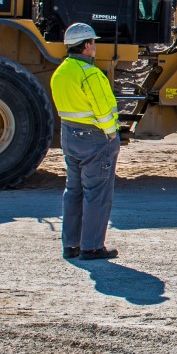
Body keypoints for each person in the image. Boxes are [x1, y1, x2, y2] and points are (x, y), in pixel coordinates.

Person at [51, 23, 120, 261]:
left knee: (74, 191)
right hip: (95, 139)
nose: (95, 47)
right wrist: (111, 134)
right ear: (87, 46)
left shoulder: (61, 71)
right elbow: (103, 112)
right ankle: (91, 247)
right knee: (97, 194)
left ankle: (71, 245)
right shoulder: (90, 74)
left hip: (70, 136)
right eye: (94, 43)